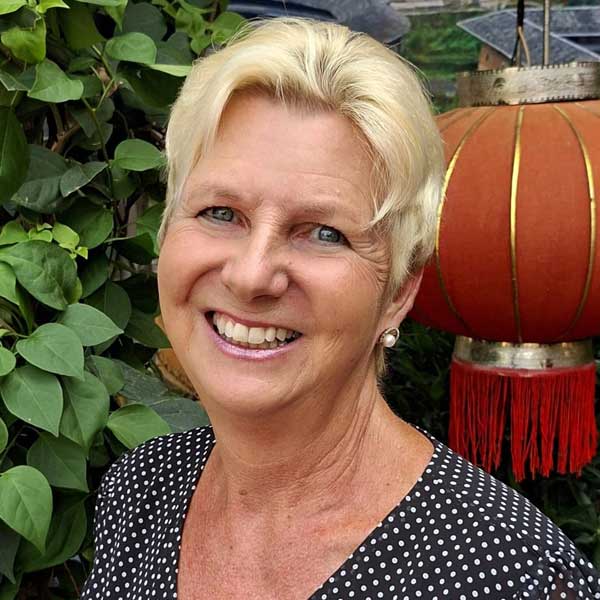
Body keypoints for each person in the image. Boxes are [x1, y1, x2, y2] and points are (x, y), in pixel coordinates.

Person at [81, 17, 600, 600]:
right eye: (220, 213)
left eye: (324, 233)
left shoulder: (515, 577)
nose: (251, 276)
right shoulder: (142, 488)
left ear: (399, 291)